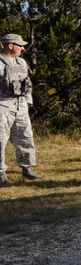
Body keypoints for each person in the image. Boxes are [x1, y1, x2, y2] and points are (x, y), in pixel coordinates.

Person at [0, 33, 39, 184]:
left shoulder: (21, 62)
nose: (23, 48)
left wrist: (27, 102)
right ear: (10, 46)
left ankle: (27, 168)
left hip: (20, 105)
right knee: (0, 139)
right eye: (20, 45)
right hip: (3, 106)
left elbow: (27, 83)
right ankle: (0, 173)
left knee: (25, 136)